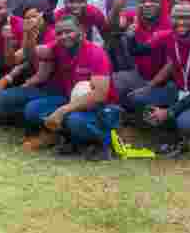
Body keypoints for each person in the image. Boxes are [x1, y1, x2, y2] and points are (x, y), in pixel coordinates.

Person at [130, 2, 190, 160]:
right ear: (170, 18)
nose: (181, 22)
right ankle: (175, 139)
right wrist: (130, 36)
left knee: (185, 121)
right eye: (177, 17)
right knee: (138, 99)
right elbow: (138, 51)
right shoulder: (167, 37)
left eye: (186, 17)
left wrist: (168, 112)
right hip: (182, 90)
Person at [15, 15, 120, 160]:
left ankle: (103, 143)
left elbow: (100, 95)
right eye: (59, 33)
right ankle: (66, 138)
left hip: (100, 107)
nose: (64, 36)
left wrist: (62, 111)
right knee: (32, 109)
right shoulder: (57, 47)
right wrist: (28, 34)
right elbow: (29, 54)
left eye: (68, 31)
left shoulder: (96, 53)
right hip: (71, 100)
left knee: (74, 120)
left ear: (80, 30)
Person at [108, 0, 172, 108]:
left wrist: (149, 86)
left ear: (161, 3)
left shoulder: (169, 24)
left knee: (137, 100)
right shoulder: (133, 16)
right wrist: (116, 8)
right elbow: (112, 26)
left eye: (153, 1)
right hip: (139, 75)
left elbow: (171, 64)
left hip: (165, 83)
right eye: (143, 1)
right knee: (111, 84)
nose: (147, 4)